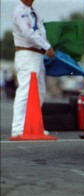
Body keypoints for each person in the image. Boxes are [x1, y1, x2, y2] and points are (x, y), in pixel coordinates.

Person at [11, 0, 55, 137]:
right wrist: (46, 46)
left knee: (39, 91)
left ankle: (33, 123)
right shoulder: (20, 12)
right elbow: (28, 33)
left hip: (37, 55)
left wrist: (45, 45)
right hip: (26, 54)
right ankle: (18, 127)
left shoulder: (33, 11)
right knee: (25, 90)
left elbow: (40, 31)